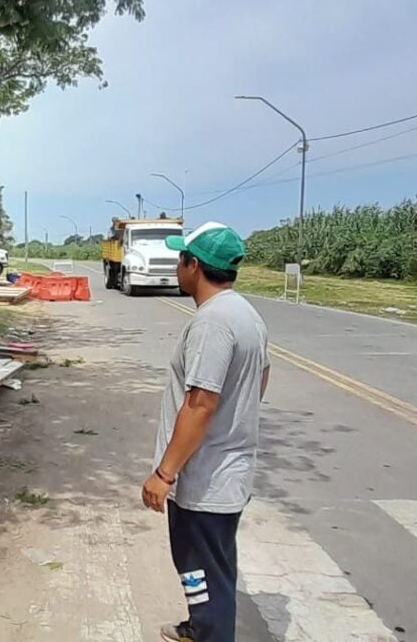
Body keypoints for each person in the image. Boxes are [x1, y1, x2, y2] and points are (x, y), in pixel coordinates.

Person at [141, 222, 270, 642]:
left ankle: (210, 632)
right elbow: (261, 379)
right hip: (227, 470)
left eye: (180, 259)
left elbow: (200, 404)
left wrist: (164, 474)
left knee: (201, 568)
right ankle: (200, 626)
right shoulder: (245, 314)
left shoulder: (213, 324)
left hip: (206, 479)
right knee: (205, 567)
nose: (177, 266)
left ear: (193, 266)